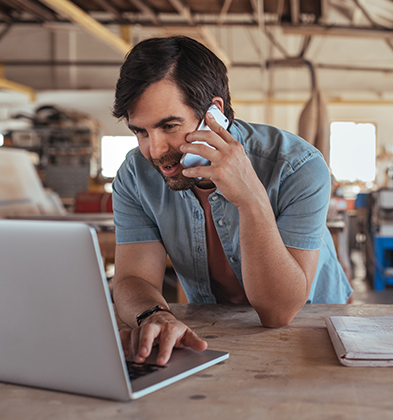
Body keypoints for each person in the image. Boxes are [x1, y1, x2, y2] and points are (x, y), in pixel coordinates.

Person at [111, 36, 352, 366]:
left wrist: (251, 199)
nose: (154, 150)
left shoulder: (299, 167)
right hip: (213, 331)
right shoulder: (135, 176)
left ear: (214, 113)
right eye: (140, 131)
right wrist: (153, 315)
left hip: (315, 327)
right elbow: (132, 280)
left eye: (169, 126)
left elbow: (278, 313)